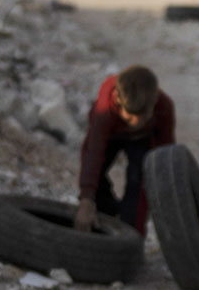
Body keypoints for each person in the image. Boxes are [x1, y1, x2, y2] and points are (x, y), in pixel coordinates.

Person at [74, 65, 176, 233]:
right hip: (112, 134)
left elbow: (166, 155)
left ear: (155, 101)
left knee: (140, 181)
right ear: (118, 100)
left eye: (144, 115)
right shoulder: (105, 108)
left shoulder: (164, 107)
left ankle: (131, 232)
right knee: (95, 176)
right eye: (131, 116)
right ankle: (105, 214)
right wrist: (86, 199)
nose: (137, 122)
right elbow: (93, 153)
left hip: (142, 140)